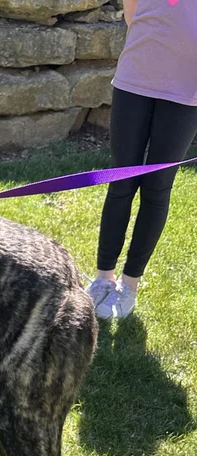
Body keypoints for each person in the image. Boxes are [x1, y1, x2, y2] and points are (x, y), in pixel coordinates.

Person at [87, 0, 197, 319]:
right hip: (134, 79)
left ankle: (129, 285)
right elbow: (133, 13)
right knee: (121, 182)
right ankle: (102, 278)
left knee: (157, 187)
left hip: (186, 94)